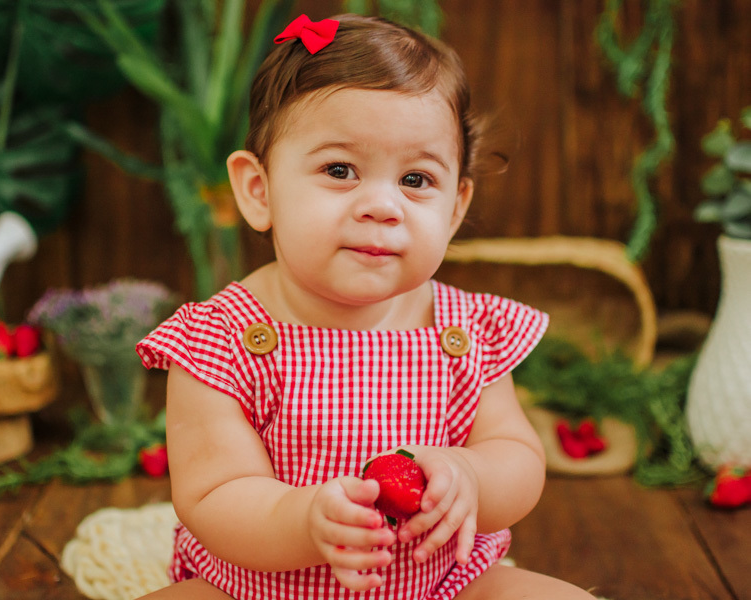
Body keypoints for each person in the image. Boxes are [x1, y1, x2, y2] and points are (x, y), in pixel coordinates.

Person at [135, 13, 595, 600]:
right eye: (339, 170)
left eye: (416, 180)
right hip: (259, 590)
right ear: (259, 189)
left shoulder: (462, 331)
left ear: (455, 207)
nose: (382, 205)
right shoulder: (221, 340)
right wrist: (302, 520)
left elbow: (518, 457)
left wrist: (471, 475)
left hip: (443, 587)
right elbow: (212, 494)